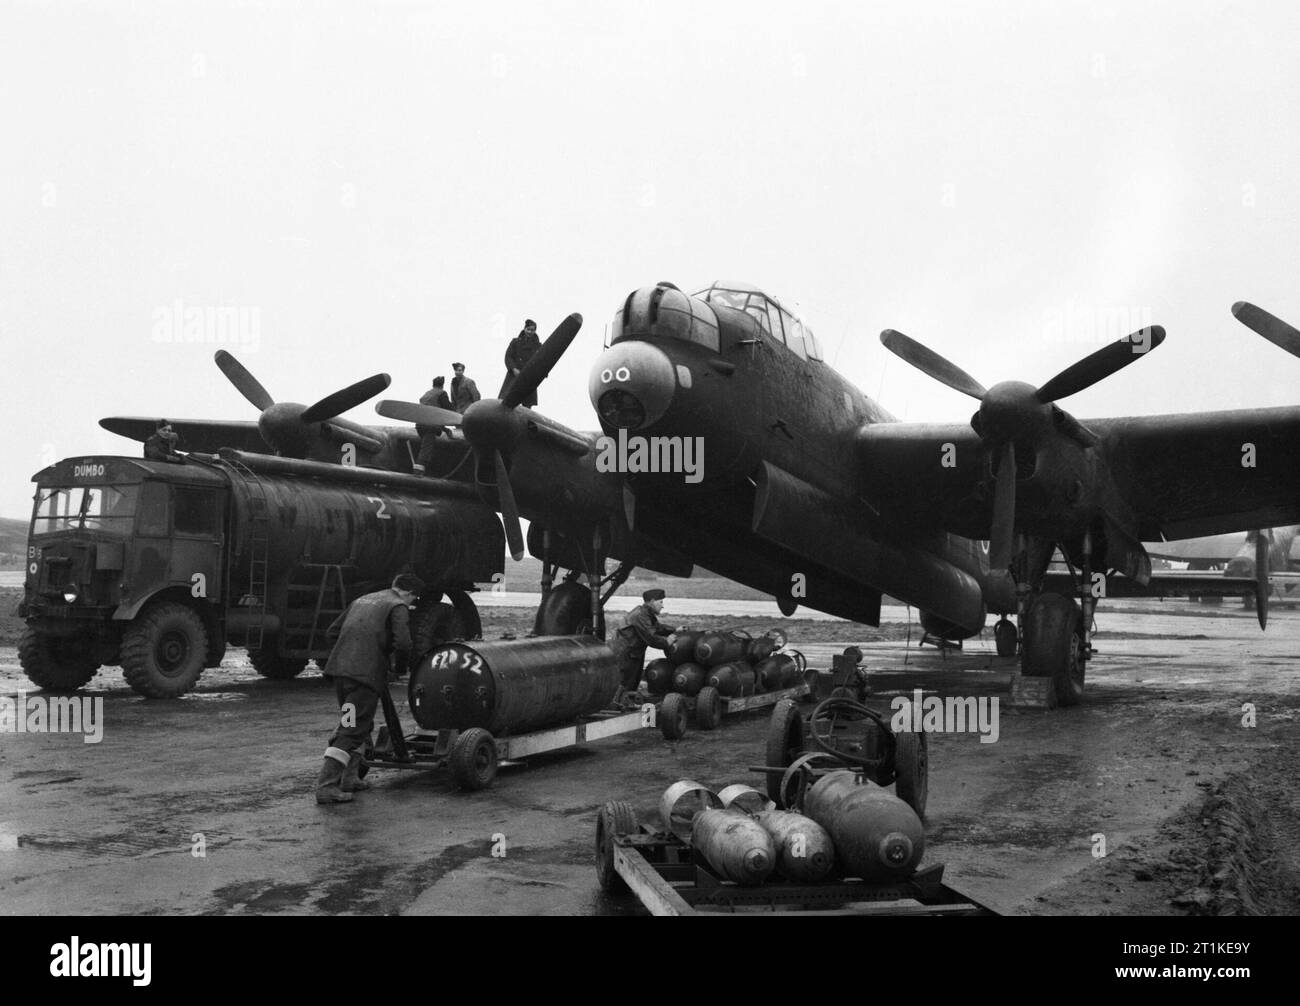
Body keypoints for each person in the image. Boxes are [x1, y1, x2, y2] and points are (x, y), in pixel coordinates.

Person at [315, 572, 424, 805]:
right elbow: (403, 643)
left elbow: (332, 632)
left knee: (357, 723)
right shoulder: (397, 606)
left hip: (341, 674)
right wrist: (400, 668)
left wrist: (347, 655)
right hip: (363, 677)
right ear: (408, 593)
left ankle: (350, 778)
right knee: (351, 728)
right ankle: (326, 786)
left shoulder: (363, 600)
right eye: (413, 600)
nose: (411, 604)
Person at [608, 588, 677, 699]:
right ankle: (616, 708)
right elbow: (651, 637)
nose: (662, 606)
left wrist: (674, 629)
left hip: (633, 653)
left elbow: (658, 628)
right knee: (623, 684)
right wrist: (667, 641)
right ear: (652, 601)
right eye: (661, 602)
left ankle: (625, 706)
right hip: (624, 654)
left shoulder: (646, 614)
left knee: (632, 683)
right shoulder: (641, 615)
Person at [413, 377, 453, 475]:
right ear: (442, 385)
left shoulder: (426, 395)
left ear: (433, 384)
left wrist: (444, 429)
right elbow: (448, 409)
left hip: (420, 424)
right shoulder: (441, 393)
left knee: (427, 447)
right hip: (430, 425)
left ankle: (425, 469)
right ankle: (418, 471)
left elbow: (432, 411)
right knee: (426, 449)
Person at [501, 319, 542, 407]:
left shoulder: (538, 346)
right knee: (505, 401)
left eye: (532, 330)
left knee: (527, 404)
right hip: (514, 375)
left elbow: (542, 361)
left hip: (529, 378)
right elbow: (508, 356)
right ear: (524, 329)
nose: (530, 332)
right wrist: (513, 369)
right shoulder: (515, 342)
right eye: (528, 329)